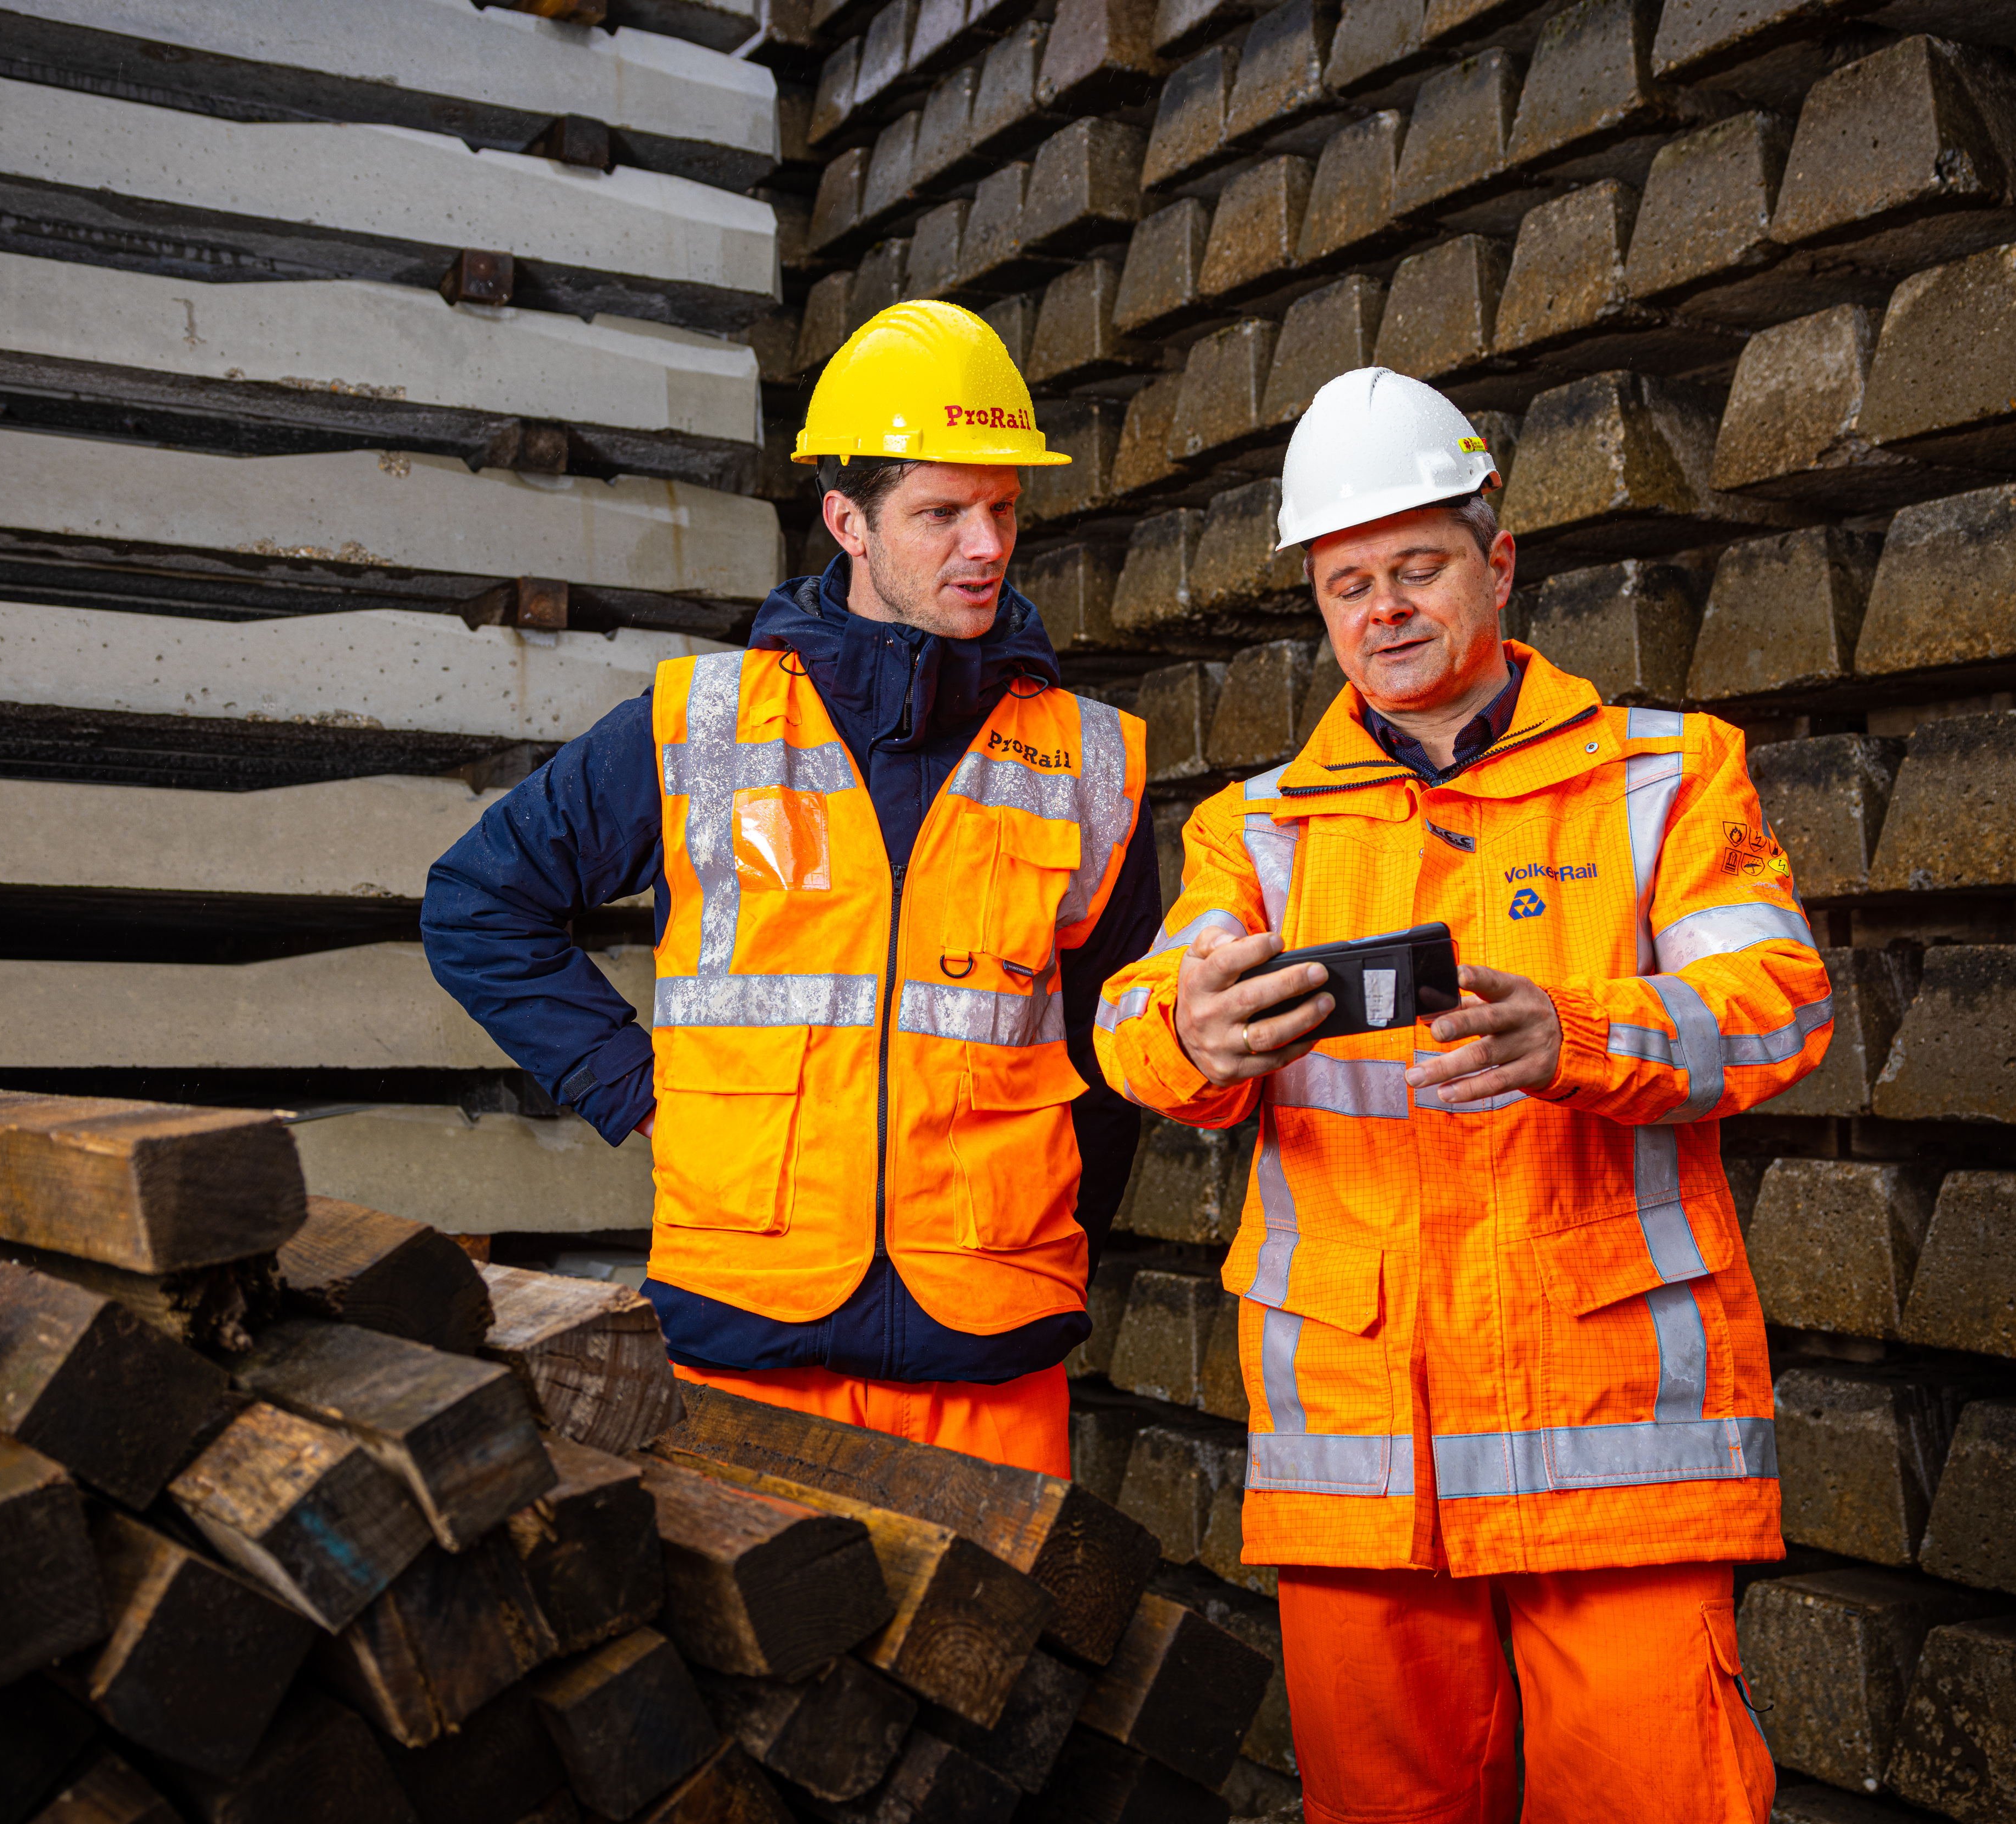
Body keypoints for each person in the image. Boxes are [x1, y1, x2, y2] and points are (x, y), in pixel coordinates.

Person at [1092, 368, 1829, 1822]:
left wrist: (1576, 1033)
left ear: (1499, 565)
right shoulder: (1258, 831)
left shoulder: (1668, 779)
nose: (1382, 608)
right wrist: (1192, 1026)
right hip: (1368, 1472)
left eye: (1416, 566)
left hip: (1615, 1452)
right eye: (1346, 581)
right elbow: (1131, 1025)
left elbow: (1777, 1010)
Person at [425, 302, 1158, 1477]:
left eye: (1003, 512)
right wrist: (635, 1087)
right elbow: (477, 905)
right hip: (747, 1329)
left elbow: (1123, 1048)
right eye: (941, 513)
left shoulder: (1092, 764)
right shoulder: (698, 727)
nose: (984, 547)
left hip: (990, 1346)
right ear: (846, 521)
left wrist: (1048, 1235)